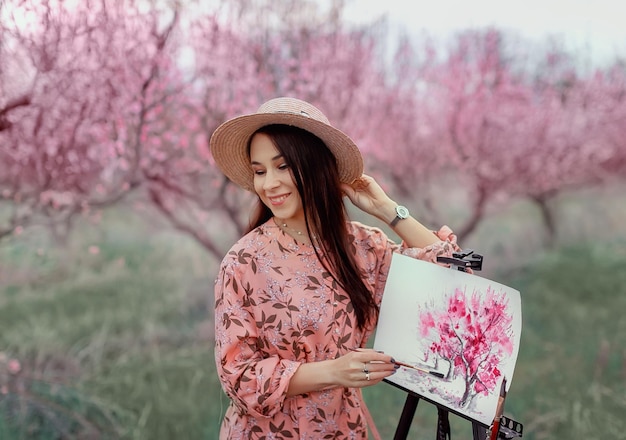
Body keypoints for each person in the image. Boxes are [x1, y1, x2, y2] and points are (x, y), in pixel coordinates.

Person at [209, 97, 462, 439]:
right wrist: (334, 372)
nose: (269, 184)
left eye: (283, 166)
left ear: (315, 166)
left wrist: (388, 210)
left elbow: (453, 281)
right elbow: (238, 378)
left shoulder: (361, 246)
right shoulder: (244, 261)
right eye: (259, 171)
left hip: (343, 430)